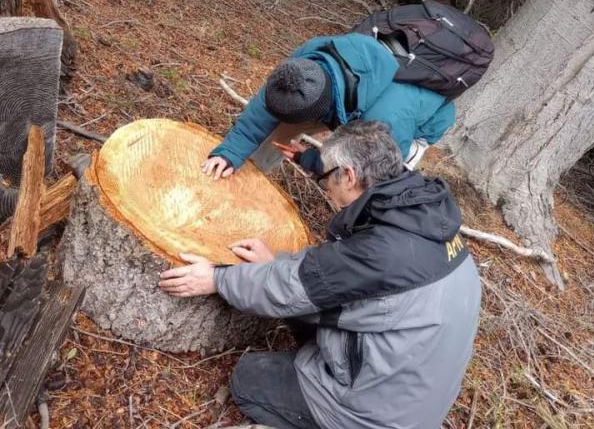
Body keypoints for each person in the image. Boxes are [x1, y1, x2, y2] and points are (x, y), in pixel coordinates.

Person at [160, 121, 481, 429]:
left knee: (249, 377)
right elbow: (332, 279)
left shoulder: (381, 253)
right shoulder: (423, 215)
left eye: (327, 178)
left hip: (373, 416)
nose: (325, 187)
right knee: (306, 308)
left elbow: (297, 286)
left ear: (350, 176)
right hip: (411, 395)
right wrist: (274, 264)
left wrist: (217, 278)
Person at [202, 33, 455, 179]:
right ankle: (244, 177)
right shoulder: (311, 57)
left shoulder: (383, 122)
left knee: (355, 181)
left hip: (417, 124)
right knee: (273, 133)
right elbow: (265, 108)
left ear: (319, 115)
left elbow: (378, 177)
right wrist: (230, 152)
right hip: (351, 95)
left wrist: (313, 161)